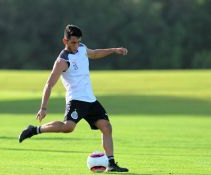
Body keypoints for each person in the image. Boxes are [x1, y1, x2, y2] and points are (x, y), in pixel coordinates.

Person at [18, 24, 129, 172]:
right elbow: (49, 84)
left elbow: (94, 53)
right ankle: (34, 130)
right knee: (68, 127)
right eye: (73, 43)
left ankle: (111, 164)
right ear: (65, 41)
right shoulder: (62, 61)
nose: (76, 45)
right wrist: (43, 108)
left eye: (77, 42)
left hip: (90, 99)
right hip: (76, 99)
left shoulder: (82, 48)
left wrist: (113, 50)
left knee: (107, 127)